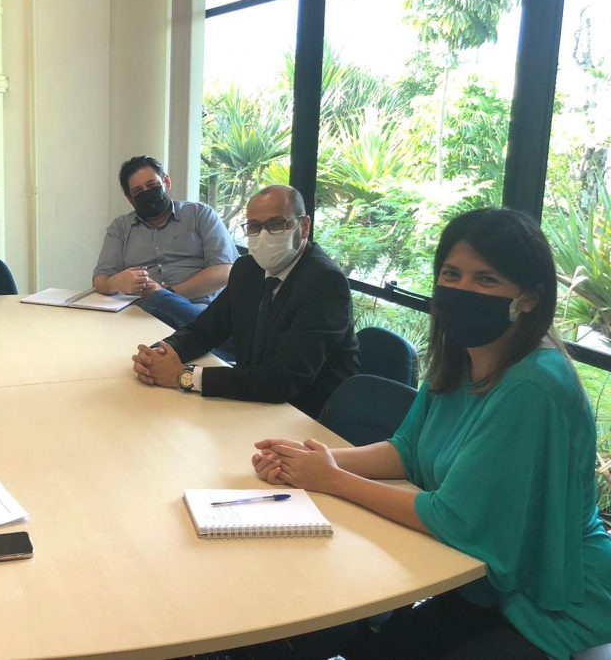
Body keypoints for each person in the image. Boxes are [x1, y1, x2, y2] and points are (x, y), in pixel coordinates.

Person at [253, 208, 611, 659]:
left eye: (486, 280)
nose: (461, 290)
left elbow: (453, 519)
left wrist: (332, 479)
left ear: (530, 298)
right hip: (485, 583)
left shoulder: (533, 385)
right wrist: (311, 462)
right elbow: (407, 450)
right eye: (451, 274)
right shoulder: (462, 358)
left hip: (554, 602)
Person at [132, 185, 358, 418]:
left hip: (307, 417)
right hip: (253, 401)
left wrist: (184, 376)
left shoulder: (325, 283)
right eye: (254, 226)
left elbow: (285, 379)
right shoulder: (247, 268)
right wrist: (158, 355)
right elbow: (204, 331)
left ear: (304, 226)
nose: (264, 235)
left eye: (276, 224)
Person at [93, 155, 238, 329]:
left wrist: (166, 295)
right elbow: (99, 280)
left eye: (152, 185)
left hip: (196, 309)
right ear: (130, 198)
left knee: (199, 330)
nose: (147, 193)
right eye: (138, 191)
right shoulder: (120, 227)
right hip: (140, 314)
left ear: (166, 182)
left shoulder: (200, 214)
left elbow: (224, 271)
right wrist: (114, 283)